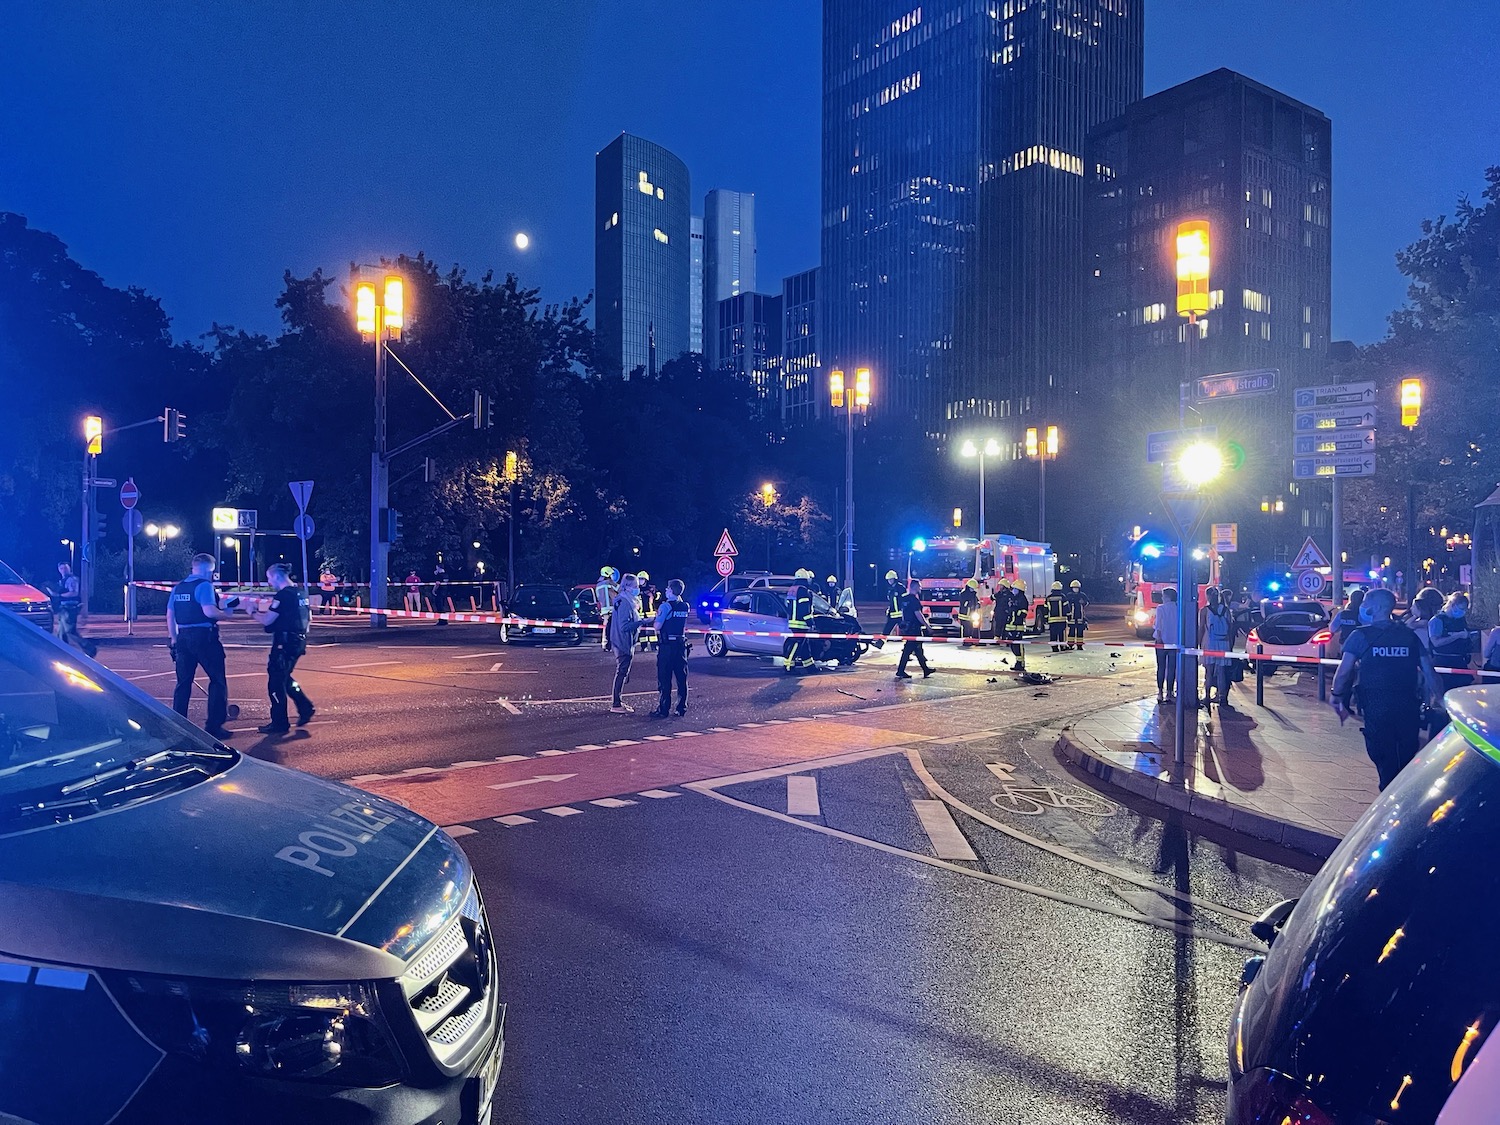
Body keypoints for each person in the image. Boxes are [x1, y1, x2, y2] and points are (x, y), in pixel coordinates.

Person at [1331, 588, 1444, 790]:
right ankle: (1401, 795)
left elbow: (1343, 672)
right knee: (1406, 754)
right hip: (1408, 707)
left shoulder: (1360, 636)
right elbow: (1429, 671)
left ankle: (1390, 797)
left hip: (1377, 707)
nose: (1363, 606)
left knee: (1383, 757)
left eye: (1366, 602)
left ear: (1377, 607)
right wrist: (1440, 700)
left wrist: (1337, 695)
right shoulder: (1408, 636)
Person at [168, 553, 233, 739]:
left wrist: (173, 639)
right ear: (207, 569)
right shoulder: (204, 586)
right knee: (217, 680)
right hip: (205, 639)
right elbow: (210, 612)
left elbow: (170, 615)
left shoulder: (178, 588)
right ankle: (214, 726)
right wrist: (227, 612)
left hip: (183, 639)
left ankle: (178, 725)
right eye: (212, 571)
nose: (212, 575)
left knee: (183, 683)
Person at [250, 564, 314, 735]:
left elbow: (267, 620)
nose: (269, 581)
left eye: (269, 578)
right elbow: (309, 618)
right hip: (298, 641)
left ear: (277, 576)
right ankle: (305, 707)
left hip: (283, 644)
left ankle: (279, 723)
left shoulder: (283, 595)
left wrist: (252, 612)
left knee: (275, 683)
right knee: (285, 678)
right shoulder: (301, 593)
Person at [648, 578, 690, 718]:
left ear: (671, 591)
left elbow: (657, 626)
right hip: (681, 646)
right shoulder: (685, 606)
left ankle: (663, 709)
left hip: (667, 647)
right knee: (681, 677)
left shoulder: (665, 606)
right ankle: (681, 708)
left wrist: (655, 619)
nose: (665, 590)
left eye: (667, 589)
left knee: (664, 678)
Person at [1429, 591, 1481, 694]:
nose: (1463, 612)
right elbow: (1436, 643)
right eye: (1461, 609)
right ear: (1452, 605)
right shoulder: (1437, 621)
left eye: (1465, 610)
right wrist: (1458, 636)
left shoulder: (1461, 620)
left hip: (1460, 661)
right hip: (1443, 662)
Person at [607, 573, 642, 712]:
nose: (637, 589)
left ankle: (618, 702)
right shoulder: (625, 602)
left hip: (621, 641)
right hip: (622, 642)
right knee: (621, 672)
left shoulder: (624, 600)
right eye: (635, 586)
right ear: (627, 587)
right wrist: (642, 622)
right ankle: (616, 704)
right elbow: (624, 626)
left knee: (623, 672)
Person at [1199, 586, 1235, 708]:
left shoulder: (1204, 611)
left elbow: (1201, 628)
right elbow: (1230, 629)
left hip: (1210, 642)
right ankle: (1222, 697)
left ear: (1208, 596)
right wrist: (1230, 645)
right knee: (1221, 672)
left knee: (1209, 671)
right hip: (1223, 643)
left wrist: (1199, 644)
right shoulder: (1226, 610)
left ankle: (1207, 696)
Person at [50, 562, 96, 656]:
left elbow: (74, 593)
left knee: (70, 631)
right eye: (62, 568)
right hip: (63, 608)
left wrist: (58, 595)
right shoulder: (63, 580)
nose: (64, 570)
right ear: (59, 570)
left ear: (69, 568)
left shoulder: (72, 579)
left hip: (70, 608)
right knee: (61, 633)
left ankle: (89, 648)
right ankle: (63, 652)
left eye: (65, 568)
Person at [895, 579, 934, 680]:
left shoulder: (904, 599)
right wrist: (928, 626)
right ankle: (900, 670)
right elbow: (918, 615)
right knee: (908, 649)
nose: (920, 588)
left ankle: (925, 669)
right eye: (919, 586)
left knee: (918, 648)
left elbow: (902, 613)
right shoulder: (914, 600)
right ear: (915, 587)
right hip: (914, 628)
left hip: (907, 627)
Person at [784, 570, 816, 674]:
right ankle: (788, 666)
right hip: (800, 623)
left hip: (793, 622)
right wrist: (810, 622)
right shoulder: (803, 591)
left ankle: (810, 667)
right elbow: (804, 608)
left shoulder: (792, 589)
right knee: (797, 644)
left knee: (804, 645)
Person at [1152, 587, 1180, 703]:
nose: (1162, 598)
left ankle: (1160, 692)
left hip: (1161, 641)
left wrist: (1158, 638)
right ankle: (1169, 692)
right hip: (1174, 642)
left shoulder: (1160, 608)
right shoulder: (1179, 608)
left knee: (1161, 667)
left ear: (1167, 597)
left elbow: (1158, 625)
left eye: (1163, 596)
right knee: (1172, 668)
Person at [1002, 579, 1030, 672]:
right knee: (1012, 645)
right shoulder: (1013, 598)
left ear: (1019, 589)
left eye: (1014, 589)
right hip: (1010, 625)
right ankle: (1017, 662)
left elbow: (1024, 613)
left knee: (1018, 645)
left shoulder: (1023, 599)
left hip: (1018, 626)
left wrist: (1015, 610)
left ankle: (1021, 663)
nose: (1013, 590)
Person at [877, 569, 903, 649]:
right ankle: (879, 643)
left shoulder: (901, 588)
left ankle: (914, 649)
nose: (889, 581)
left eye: (891, 579)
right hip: (893, 614)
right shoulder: (890, 589)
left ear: (895, 579)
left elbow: (904, 601)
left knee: (908, 632)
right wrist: (889, 610)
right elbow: (892, 601)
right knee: (887, 629)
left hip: (901, 615)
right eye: (888, 580)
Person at [596, 566, 619, 650]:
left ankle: (605, 645)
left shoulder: (598, 585)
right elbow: (620, 589)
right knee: (613, 629)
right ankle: (612, 645)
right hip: (612, 609)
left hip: (604, 610)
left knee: (605, 628)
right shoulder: (609, 582)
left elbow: (599, 598)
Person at [1043, 581, 1068, 652]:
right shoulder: (1062, 597)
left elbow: (1045, 609)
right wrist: (1068, 616)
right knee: (1061, 634)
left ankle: (1054, 648)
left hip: (1052, 620)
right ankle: (1062, 646)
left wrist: (1045, 619)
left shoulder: (1048, 598)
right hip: (1061, 619)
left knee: (1053, 634)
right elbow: (1066, 608)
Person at [1064, 579, 1090, 650]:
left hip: (1080, 616)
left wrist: (1083, 602)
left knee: (1080, 632)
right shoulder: (1069, 595)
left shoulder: (1082, 595)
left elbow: (1087, 602)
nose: (1075, 589)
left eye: (1076, 588)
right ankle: (1070, 645)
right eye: (1074, 588)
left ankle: (1079, 645)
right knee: (1071, 632)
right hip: (1071, 617)